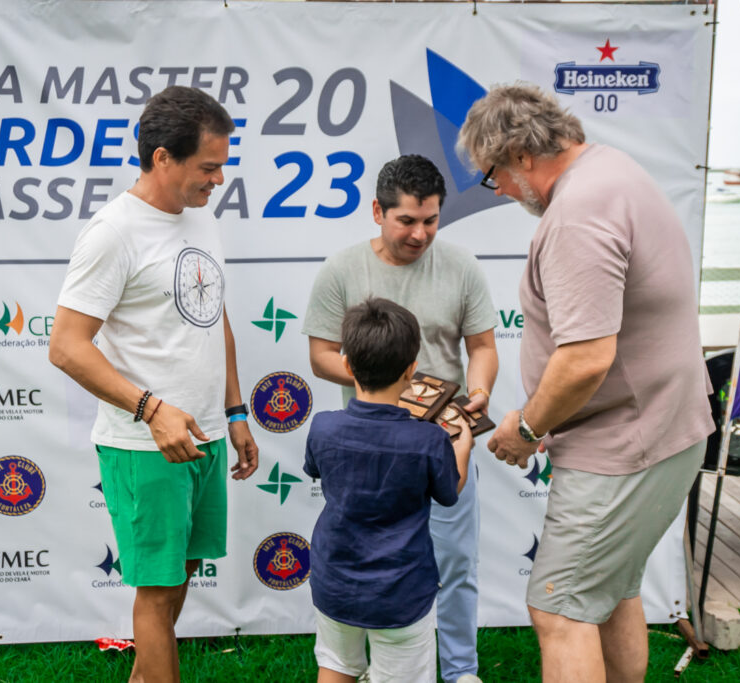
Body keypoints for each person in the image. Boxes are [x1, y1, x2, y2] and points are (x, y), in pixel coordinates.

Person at [457, 84, 713, 683]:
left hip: (626, 444)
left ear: (520, 154)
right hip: (661, 428)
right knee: (609, 593)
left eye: (492, 175)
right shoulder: (614, 170)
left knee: (559, 607)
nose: (499, 190)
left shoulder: (578, 211)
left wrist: (526, 426)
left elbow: (585, 360)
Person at [48, 85, 259, 683]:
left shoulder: (201, 217)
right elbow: (65, 346)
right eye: (208, 167)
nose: (218, 180)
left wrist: (235, 412)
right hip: (147, 443)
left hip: (206, 434)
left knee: (180, 577)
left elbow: (214, 316)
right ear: (162, 157)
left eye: (221, 166)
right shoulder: (113, 231)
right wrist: (150, 409)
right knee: (159, 591)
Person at [302, 154, 498, 683]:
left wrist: (477, 393)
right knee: (373, 562)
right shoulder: (341, 269)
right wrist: (395, 388)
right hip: (370, 451)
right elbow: (321, 356)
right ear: (377, 212)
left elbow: (482, 346)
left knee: (455, 563)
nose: (420, 233)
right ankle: (372, 664)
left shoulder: (461, 266)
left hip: (447, 436)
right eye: (406, 220)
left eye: (430, 220)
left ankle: (459, 670)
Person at [305, 297, 474, 683]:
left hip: (334, 580)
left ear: (347, 365)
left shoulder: (323, 427)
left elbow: (316, 469)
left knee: (335, 664)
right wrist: (460, 451)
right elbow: (450, 492)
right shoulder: (430, 440)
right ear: (412, 369)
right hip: (401, 591)